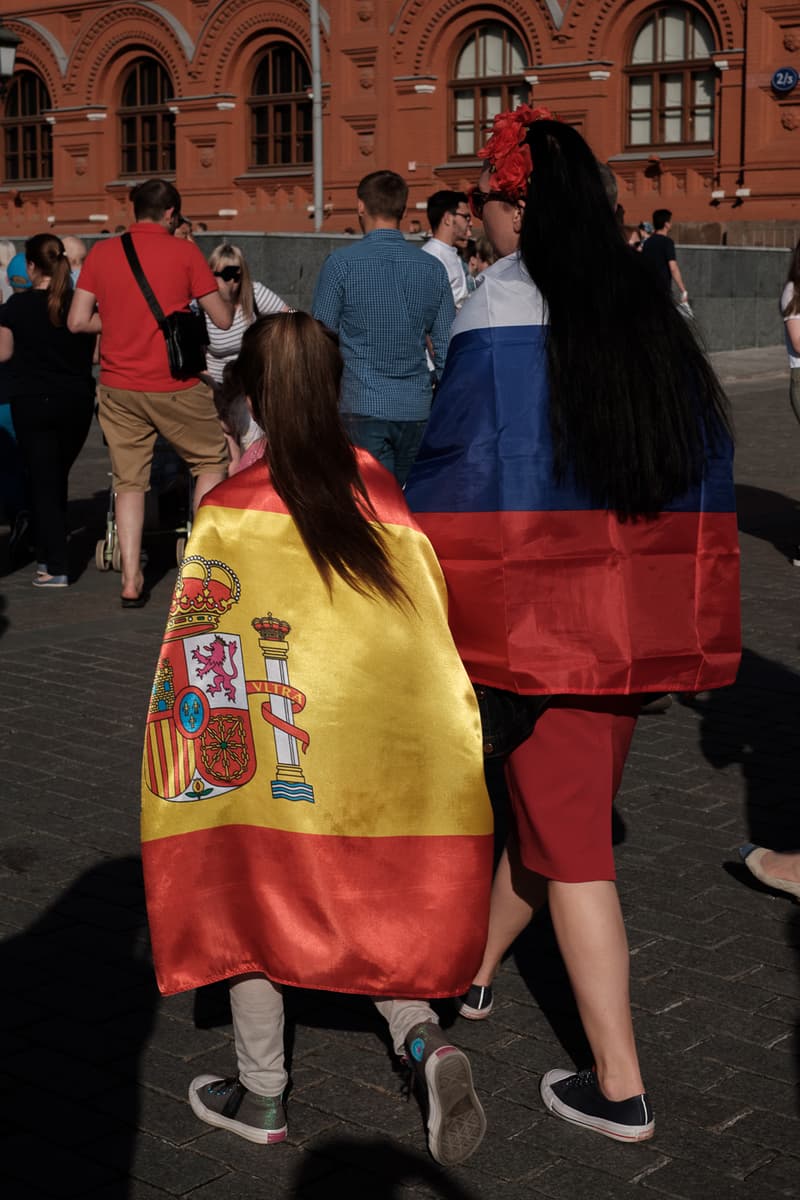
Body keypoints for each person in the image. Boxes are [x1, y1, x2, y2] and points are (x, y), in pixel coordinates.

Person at [405, 107, 741, 1143]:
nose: (483, 222)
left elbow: (458, 477)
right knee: (556, 822)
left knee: (574, 849)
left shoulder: (497, 301)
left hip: (534, 630)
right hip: (624, 626)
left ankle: (618, 1081)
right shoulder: (641, 297)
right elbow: (695, 473)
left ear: (515, 205)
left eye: (488, 204)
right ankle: (470, 975)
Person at [141, 311, 492, 1166]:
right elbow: (426, 627)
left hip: (263, 730)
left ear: (250, 394)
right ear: (335, 389)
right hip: (375, 734)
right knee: (373, 887)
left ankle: (261, 1093)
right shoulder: (378, 484)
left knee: (250, 889)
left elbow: (203, 648)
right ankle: (423, 1041)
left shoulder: (229, 506)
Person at [68, 178, 233, 607]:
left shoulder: (103, 252)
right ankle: (200, 564)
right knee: (210, 459)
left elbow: (77, 322)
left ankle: (130, 576)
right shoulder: (184, 252)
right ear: (171, 214)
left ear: (132, 211)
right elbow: (222, 319)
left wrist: (121, 321)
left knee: (129, 481)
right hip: (174, 386)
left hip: (118, 386)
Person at [312, 170, 454, 485]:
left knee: (373, 513)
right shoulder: (432, 269)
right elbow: (446, 348)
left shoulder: (342, 265)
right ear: (402, 210)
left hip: (361, 403)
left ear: (360, 206)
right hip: (417, 408)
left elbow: (319, 341)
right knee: (408, 512)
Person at [0, 234, 95, 587]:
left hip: (32, 401)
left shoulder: (16, 307)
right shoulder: (78, 305)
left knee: (44, 482)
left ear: (29, 266)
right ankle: (47, 549)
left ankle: (54, 565)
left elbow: (4, 353)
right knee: (56, 477)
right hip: (76, 402)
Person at [204, 243, 289, 387]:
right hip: (216, 385)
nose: (230, 282)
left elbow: (289, 313)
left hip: (251, 381)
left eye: (234, 275)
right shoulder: (202, 303)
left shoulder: (254, 292)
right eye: (223, 275)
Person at [422, 190, 473, 311]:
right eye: (466, 217)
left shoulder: (450, 253)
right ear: (448, 218)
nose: (470, 223)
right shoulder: (432, 257)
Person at [640, 208, 688, 303]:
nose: (671, 224)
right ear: (666, 224)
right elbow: (673, 268)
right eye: (670, 221)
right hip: (663, 288)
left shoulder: (647, 243)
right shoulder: (667, 242)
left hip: (647, 287)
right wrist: (683, 289)